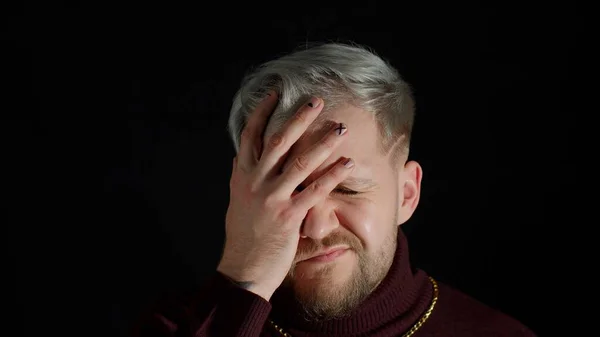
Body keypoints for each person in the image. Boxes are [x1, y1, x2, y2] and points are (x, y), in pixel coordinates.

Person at [132, 42, 536, 337]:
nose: (318, 226)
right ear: (244, 198)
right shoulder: (180, 327)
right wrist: (244, 278)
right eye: (290, 190)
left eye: (349, 190)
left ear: (407, 194)